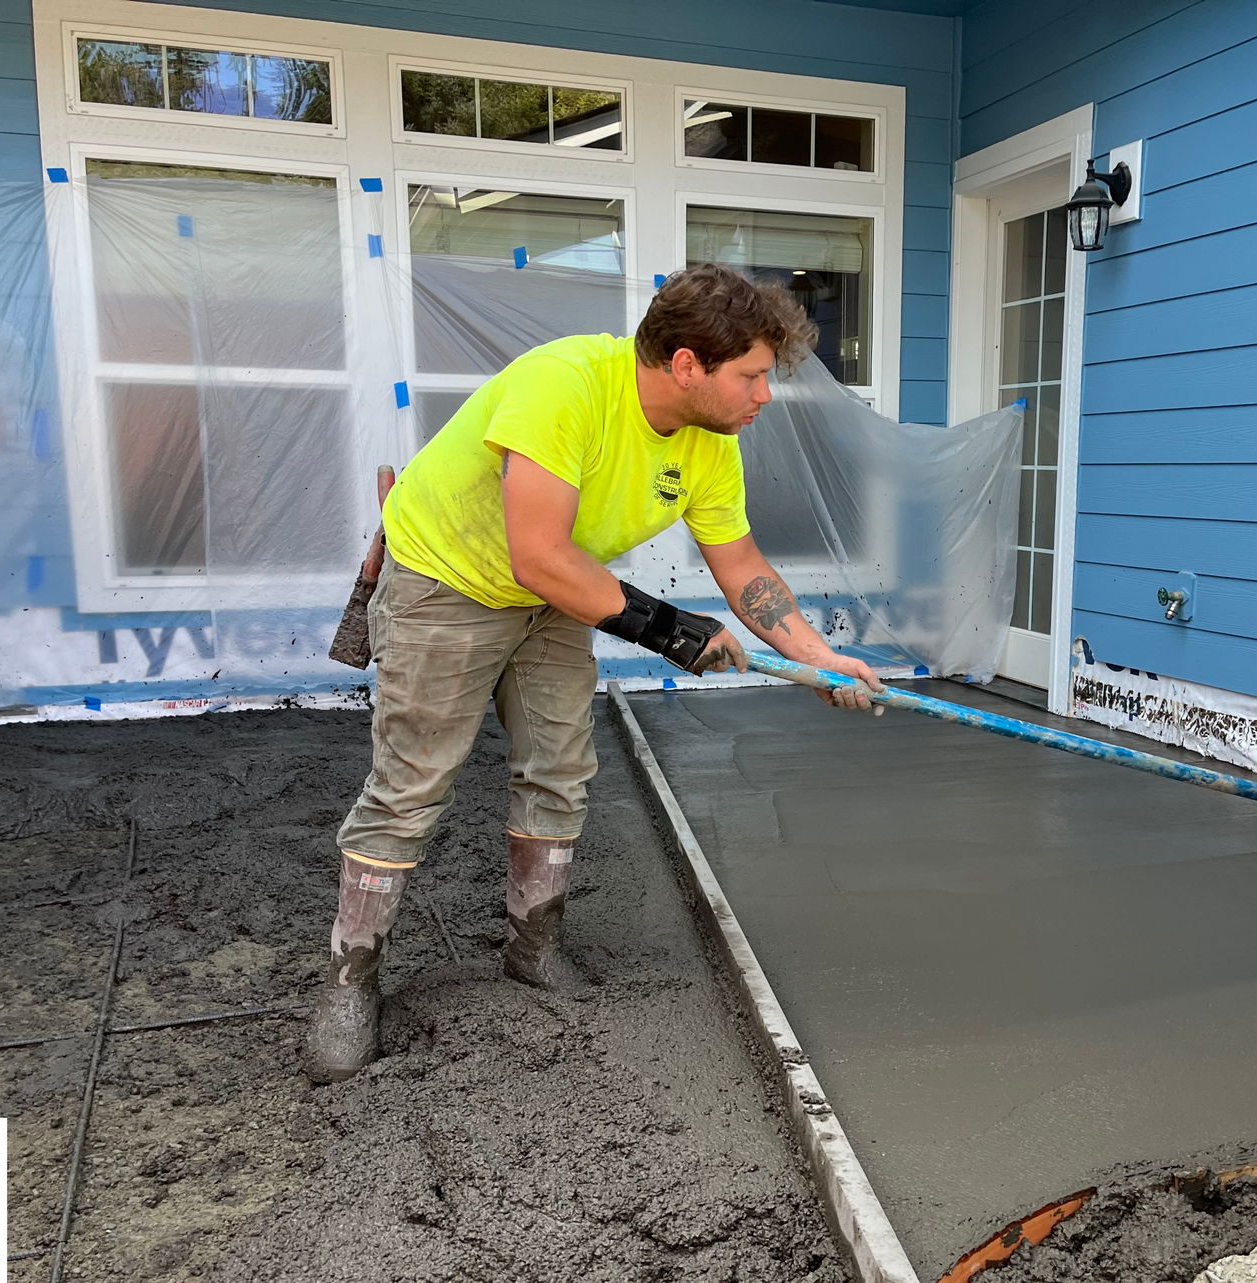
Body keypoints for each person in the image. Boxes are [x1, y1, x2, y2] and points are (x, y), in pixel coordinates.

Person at [304, 264, 883, 1084]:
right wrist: (670, 630)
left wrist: (818, 658)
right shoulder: (564, 386)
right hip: (448, 580)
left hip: (556, 594)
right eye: (752, 376)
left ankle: (533, 949)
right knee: (413, 782)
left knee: (559, 768)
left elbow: (741, 563)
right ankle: (350, 980)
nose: (764, 395)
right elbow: (536, 553)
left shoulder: (709, 443)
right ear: (688, 365)